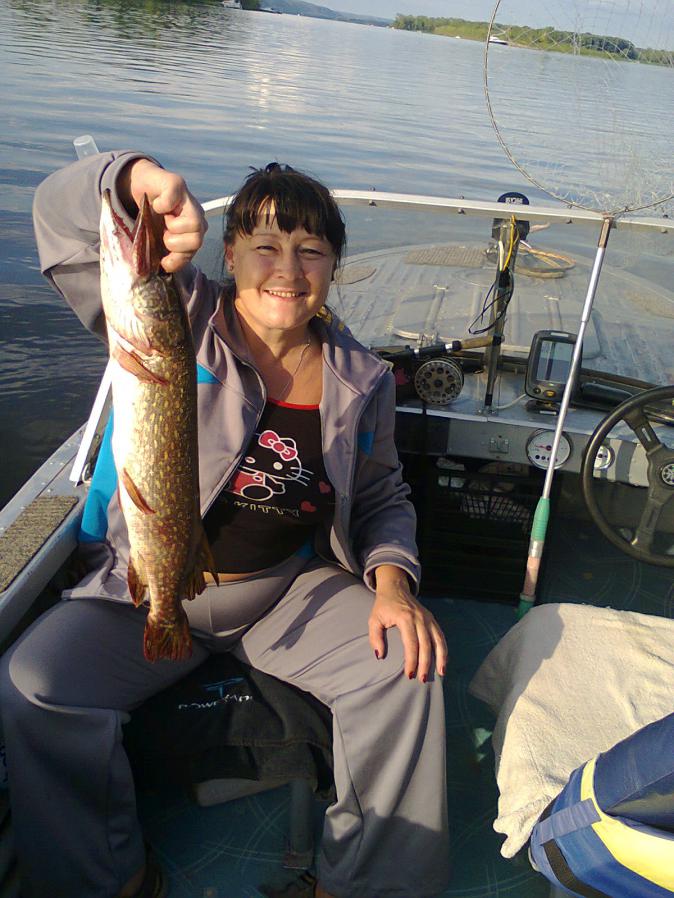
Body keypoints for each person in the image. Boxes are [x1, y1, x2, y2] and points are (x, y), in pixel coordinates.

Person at [0, 151, 450, 898]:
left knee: (408, 665)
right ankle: (108, 879)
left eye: (311, 250)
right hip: (146, 586)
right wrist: (128, 179)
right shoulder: (175, 316)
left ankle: (359, 883)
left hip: (285, 591)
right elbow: (64, 225)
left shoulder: (360, 377)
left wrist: (393, 583)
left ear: (334, 266)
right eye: (265, 245)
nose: (288, 269)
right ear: (230, 253)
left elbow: (381, 495)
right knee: (32, 687)